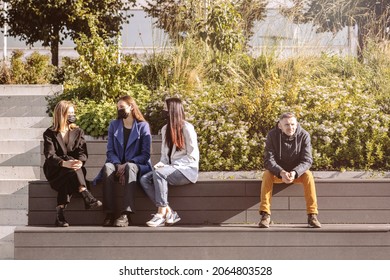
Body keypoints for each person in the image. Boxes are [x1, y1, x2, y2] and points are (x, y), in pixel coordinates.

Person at [140, 97, 199, 227]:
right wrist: (161, 165)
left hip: (187, 170)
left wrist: (171, 167)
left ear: (172, 110)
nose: (163, 111)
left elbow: (193, 156)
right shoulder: (165, 129)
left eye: (165, 108)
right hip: (169, 169)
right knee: (144, 179)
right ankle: (169, 211)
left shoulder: (187, 128)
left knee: (159, 174)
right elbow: (164, 156)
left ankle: (161, 213)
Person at [94, 96, 152, 227]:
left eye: (122, 107)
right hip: (117, 164)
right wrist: (117, 165)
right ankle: (109, 213)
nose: (119, 110)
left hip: (137, 165)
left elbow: (145, 154)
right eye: (118, 107)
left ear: (131, 107)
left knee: (130, 167)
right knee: (108, 167)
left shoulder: (143, 126)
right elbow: (110, 151)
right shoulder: (114, 125)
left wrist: (128, 163)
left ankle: (126, 214)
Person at [43, 100, 102, 227]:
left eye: (73, 113)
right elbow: (50, 155)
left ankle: (60, 213)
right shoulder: (49, 133)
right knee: (70, 169)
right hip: (56, 169)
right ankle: (85, 192)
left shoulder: (78, 131)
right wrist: (64, 163)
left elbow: (82, 152)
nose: (72, 115)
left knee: (70, 174)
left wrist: (79, 162)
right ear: (61, 114)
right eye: (69, 113)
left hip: (75, 169)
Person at [259, 112, 321, 228]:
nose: (290, 127)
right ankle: (265, 215)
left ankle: (312, 215)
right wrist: (281, 172)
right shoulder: (272, 135)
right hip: (277, 173)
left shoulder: (304, 135)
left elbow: (307, 160)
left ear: (296, 124)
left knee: (308, 175)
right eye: (286, 125)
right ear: (279, 126)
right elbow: (268, 160)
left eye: (293, 124)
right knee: (267, 175)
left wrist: (295, 172)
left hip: (296, 174)